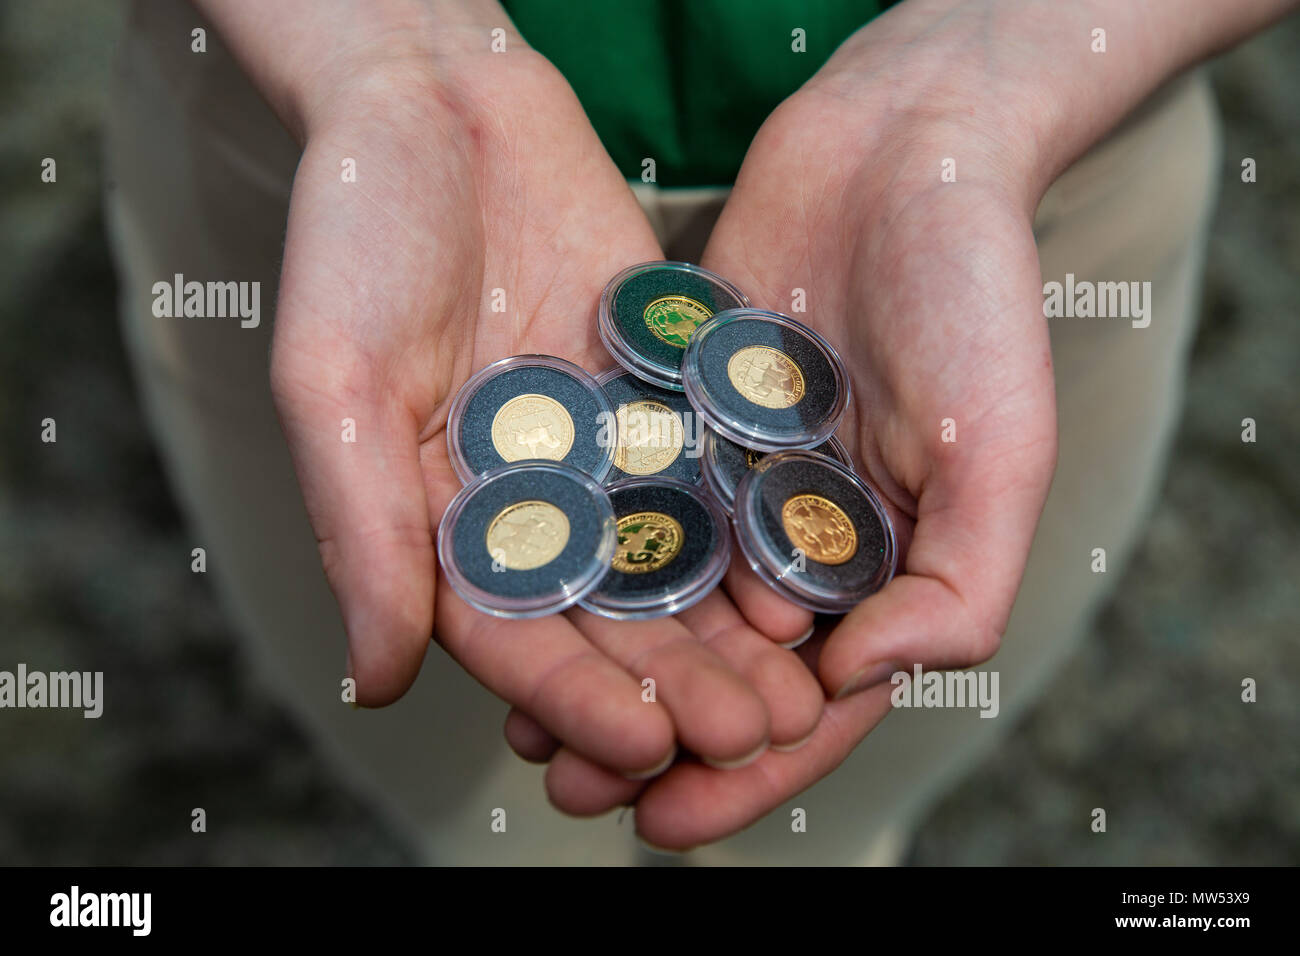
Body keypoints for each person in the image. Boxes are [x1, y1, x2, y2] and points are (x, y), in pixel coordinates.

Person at [104, 0, 1295, 864]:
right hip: (309, 121)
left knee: (827, 807)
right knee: (483, 824)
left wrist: (997, 62)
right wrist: (380, 47)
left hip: (1037, 147)